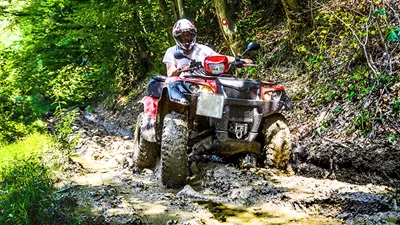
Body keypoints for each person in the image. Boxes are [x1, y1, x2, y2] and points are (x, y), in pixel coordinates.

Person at [162, 19, 253, 77]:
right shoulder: (171, 51)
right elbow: (170, 74)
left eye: (188, 35)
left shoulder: (202, 49)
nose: (186, 38)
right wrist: (184, 67)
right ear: (177, 37)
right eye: (183, 36)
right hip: (182, 85)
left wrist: (239, 60)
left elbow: (219, 57)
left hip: (204, 82)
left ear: (193, 35)